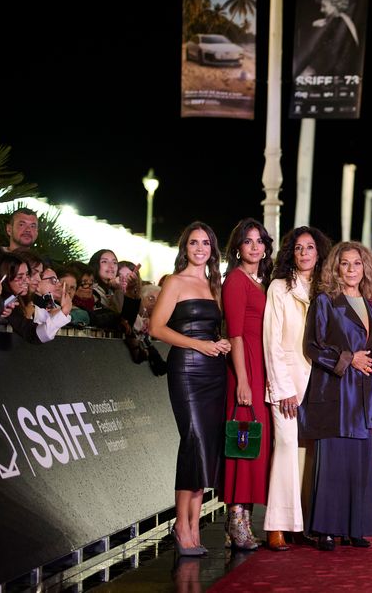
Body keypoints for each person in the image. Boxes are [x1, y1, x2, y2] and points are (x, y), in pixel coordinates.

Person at [149, 222, 232, 557]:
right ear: (185, 247)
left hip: (214, 370)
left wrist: (219, 342)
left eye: (206, 243)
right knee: (193, 441)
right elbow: (156, 328)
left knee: (204, 446)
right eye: (194, 243)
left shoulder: (215, 285)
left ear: (213, 249)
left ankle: (193, 524)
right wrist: (198, 346)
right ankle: (182, 526)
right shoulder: (175, 282)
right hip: (185, 368)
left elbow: (218, 329)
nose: (200, 248)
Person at [303, 242, 372, 550]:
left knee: (359, 463)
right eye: (345, 264)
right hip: (337, 390)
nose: (351, 269)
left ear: (365, 267)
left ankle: (355, 527)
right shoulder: (326, 301)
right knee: (334, 462)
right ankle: (327, 529)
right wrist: (347, 358)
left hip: (364, 394)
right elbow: (313, 346)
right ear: (335, 268)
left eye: (357, 263)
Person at [262, 226, 331, 551]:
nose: (304, 253)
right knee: (287, 448)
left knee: (309, 455)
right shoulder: (278, 287)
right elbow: (271, 341)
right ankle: (276, 525)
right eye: (299, 248)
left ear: (319, 254)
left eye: (310, 248)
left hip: (319, 381)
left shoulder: (325, 288)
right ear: (291, 253)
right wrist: (282, 387)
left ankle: (299, 523)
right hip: (287, 381)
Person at [220, 219, 274, 550]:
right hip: (247, 369)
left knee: (257, 444)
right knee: (243, 442)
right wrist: (242, 379)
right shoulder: (236, 281)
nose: (254, 247)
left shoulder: (262, 280)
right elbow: (235, 333)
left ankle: (243, 520)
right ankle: (236, 518)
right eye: (247, 241)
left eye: (259, 241)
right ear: (238, 247)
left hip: (262, 369)